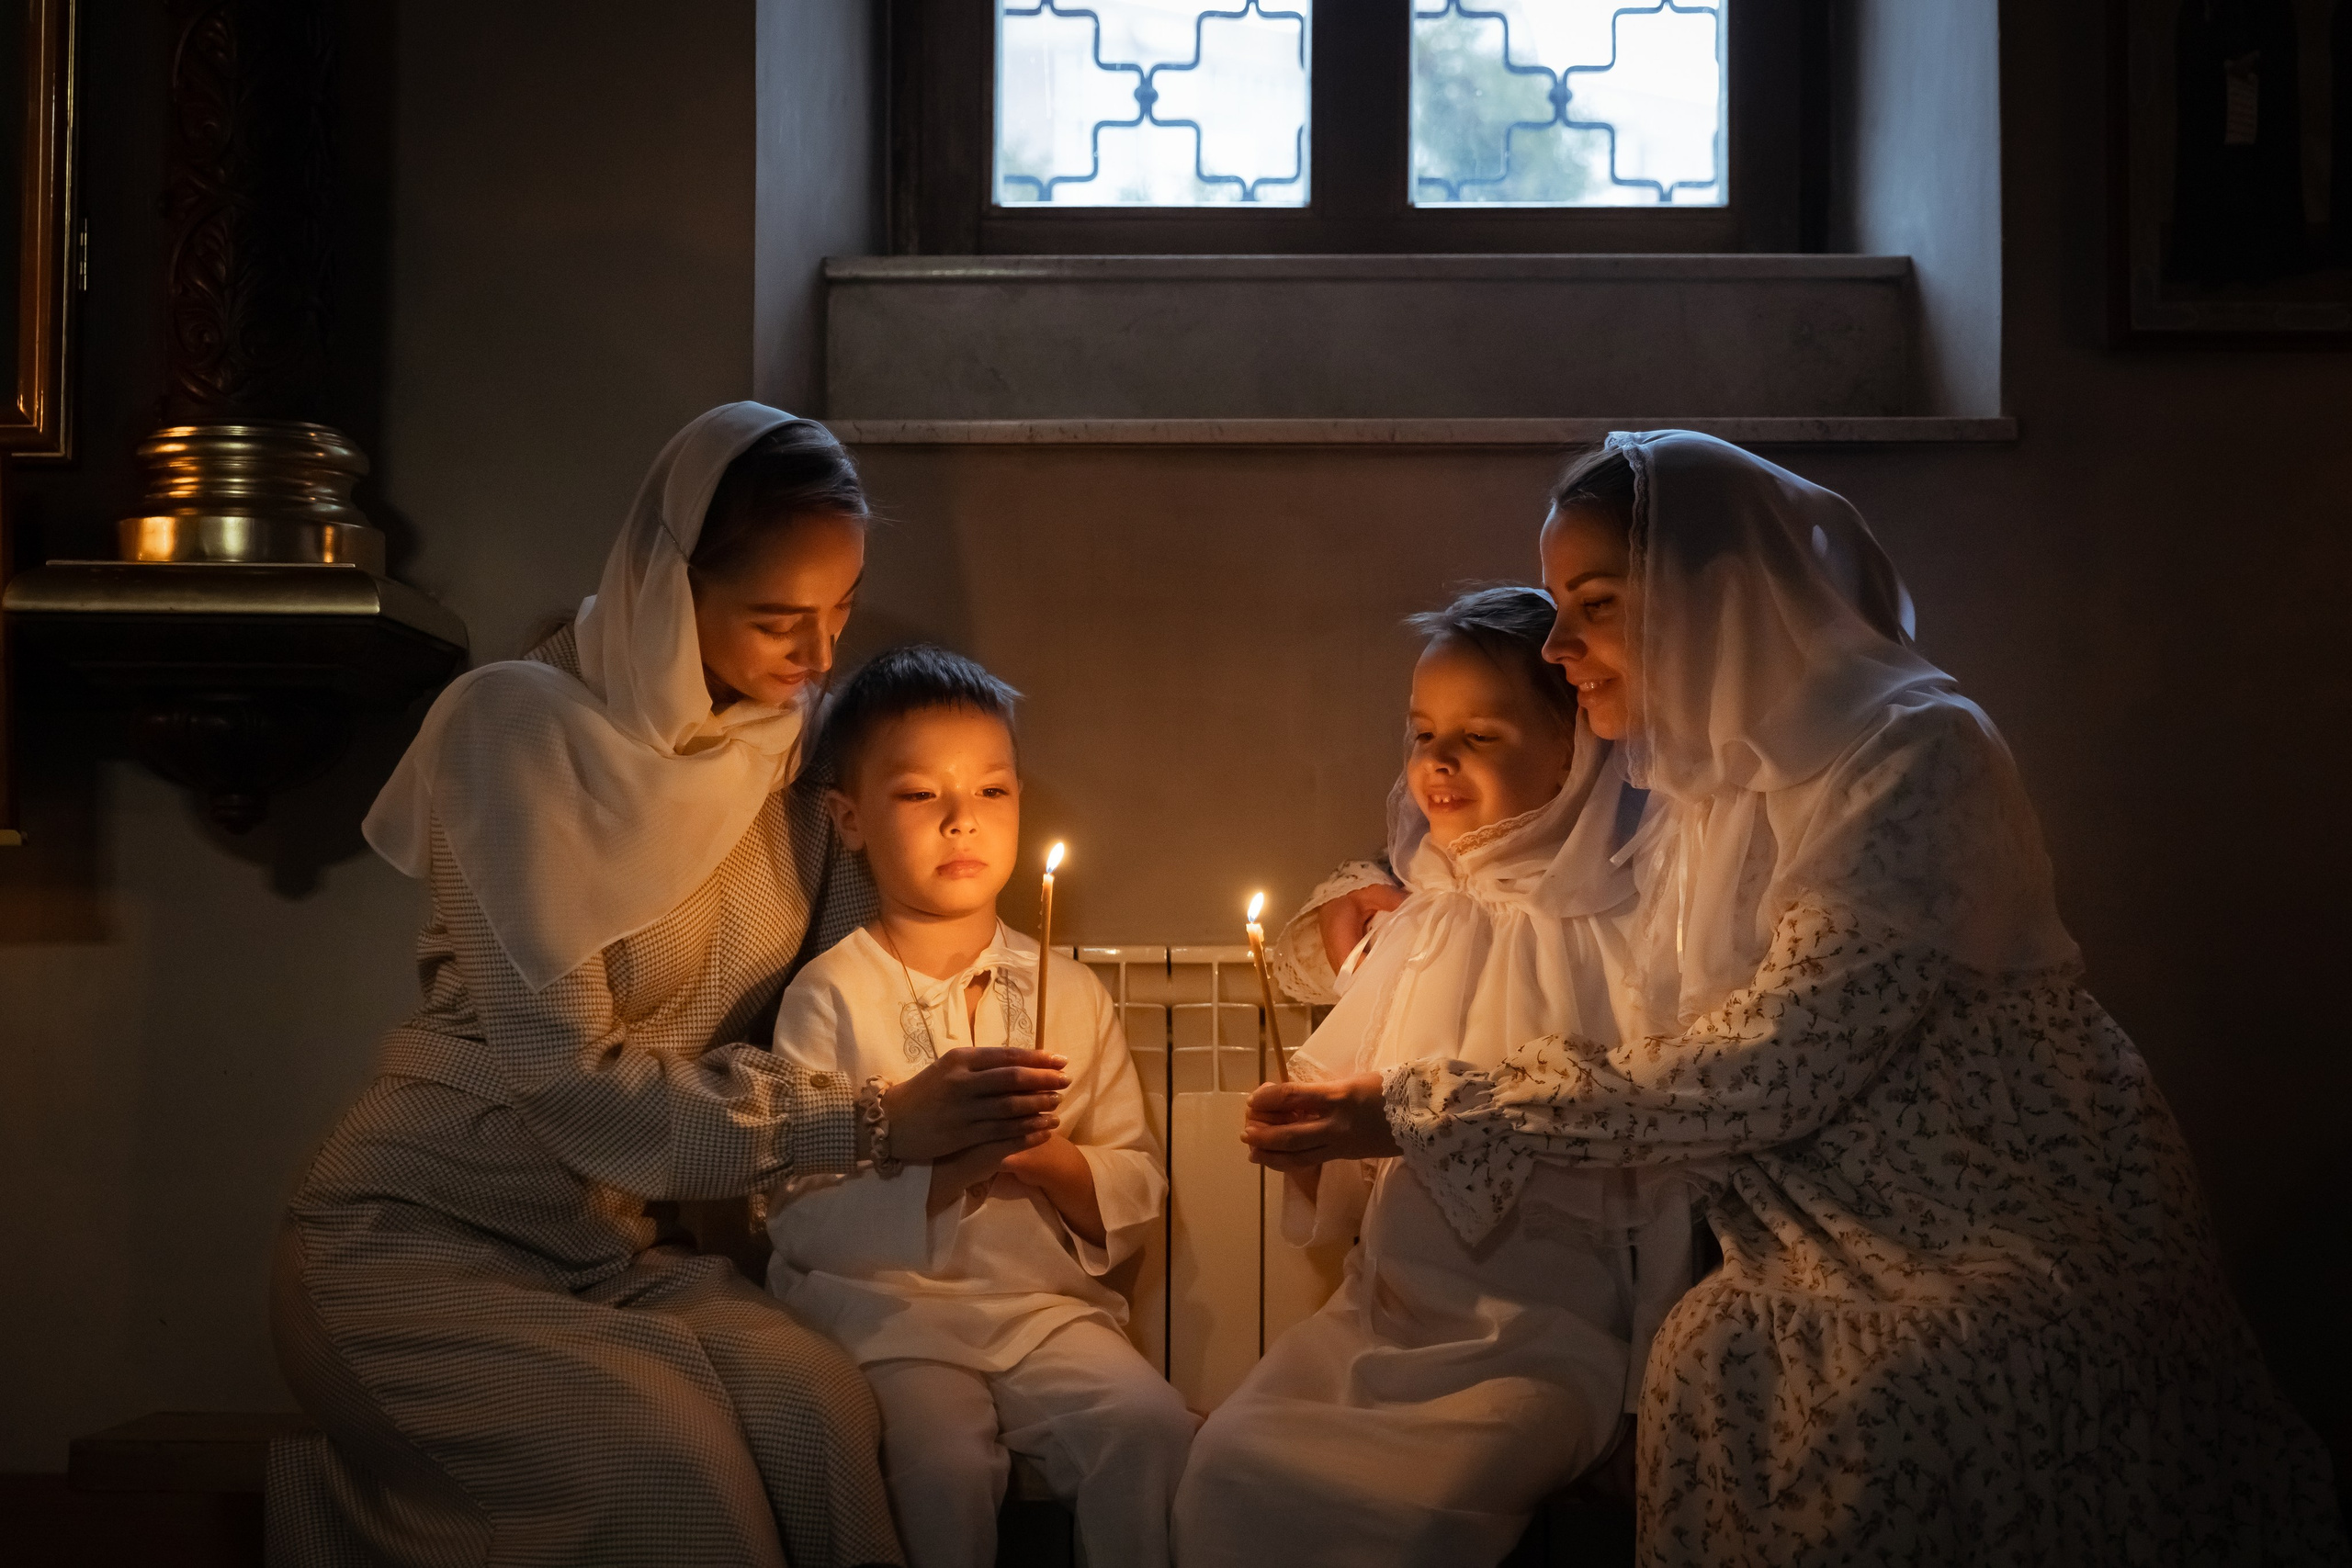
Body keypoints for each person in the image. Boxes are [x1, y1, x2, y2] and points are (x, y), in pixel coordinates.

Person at [1245, 432, 2348, 1564]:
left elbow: (1768, 1062)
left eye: (1595, 603)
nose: (1560, 642)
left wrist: (1423, 1104)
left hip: (1982, 1211)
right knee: (1717, 1351)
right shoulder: (1687, 776)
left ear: (1709, 592)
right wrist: (1372, 884)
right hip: (1800, 1240)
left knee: (1885, 1395)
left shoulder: (1910, 752)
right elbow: (1535, 860)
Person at [268, 406, 1069, 1568]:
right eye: (778, 618)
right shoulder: (516, 727)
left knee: (817, 1410)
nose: (820, 654)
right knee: (666, 1467)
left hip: (610, 1251)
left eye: (839, 609)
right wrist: (879, 1122)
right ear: (664, 582)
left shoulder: (789, 755)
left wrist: (1375, 885)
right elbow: (566, 1081)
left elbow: (878, 954)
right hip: (417, 1233)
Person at [1175, 588, 1694, 1567]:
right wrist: (1308, 1146)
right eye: (1422, 734)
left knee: (1414, 1515)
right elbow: (1358, 1174)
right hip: (1379, 1327)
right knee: (1223, 1467)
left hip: (1540, 1344)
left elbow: (1661, 1180)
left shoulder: (1618, 944)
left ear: (1573, 749)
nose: (1437, 763)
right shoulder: (1412, 929)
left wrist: (1643, 1399)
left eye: (1479, 736)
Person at [765, 645, 1196, 1568]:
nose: (963, 823)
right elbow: (796, 1207)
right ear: (849, 818)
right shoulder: (828, 995)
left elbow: (1132, 1176)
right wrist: (944, 1161)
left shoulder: (1069, 993)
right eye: (922, 796)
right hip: (886, 1313)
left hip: (1043, 1310)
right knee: (939, 1465)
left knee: (1150, 1428)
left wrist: (1037, 1156)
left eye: (992, 793)